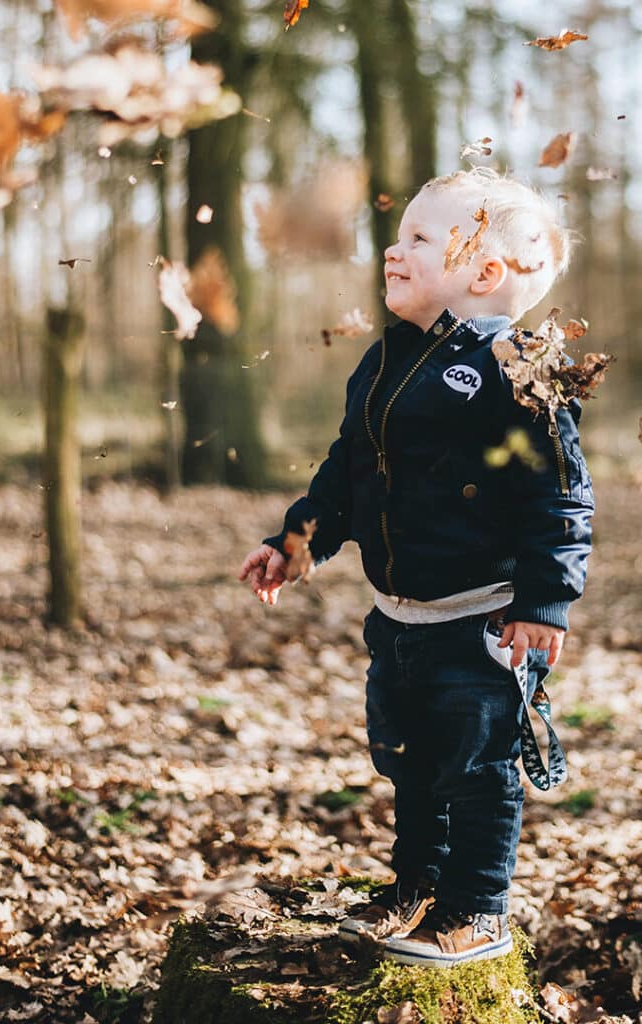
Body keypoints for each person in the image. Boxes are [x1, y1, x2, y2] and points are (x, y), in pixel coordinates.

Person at [238, 167, 594, 968]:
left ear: (484, 272)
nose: (394, 252)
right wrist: (297, 543)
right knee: (411, 762)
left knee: (476, 766)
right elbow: (348, 471)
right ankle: (418, 887)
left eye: (421, 239)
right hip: (399, 619)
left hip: (483, 621)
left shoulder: (517, 366)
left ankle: (478, 909)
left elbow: (562, 496)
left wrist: (545, 602)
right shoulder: (386, 361)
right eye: (400, 236)